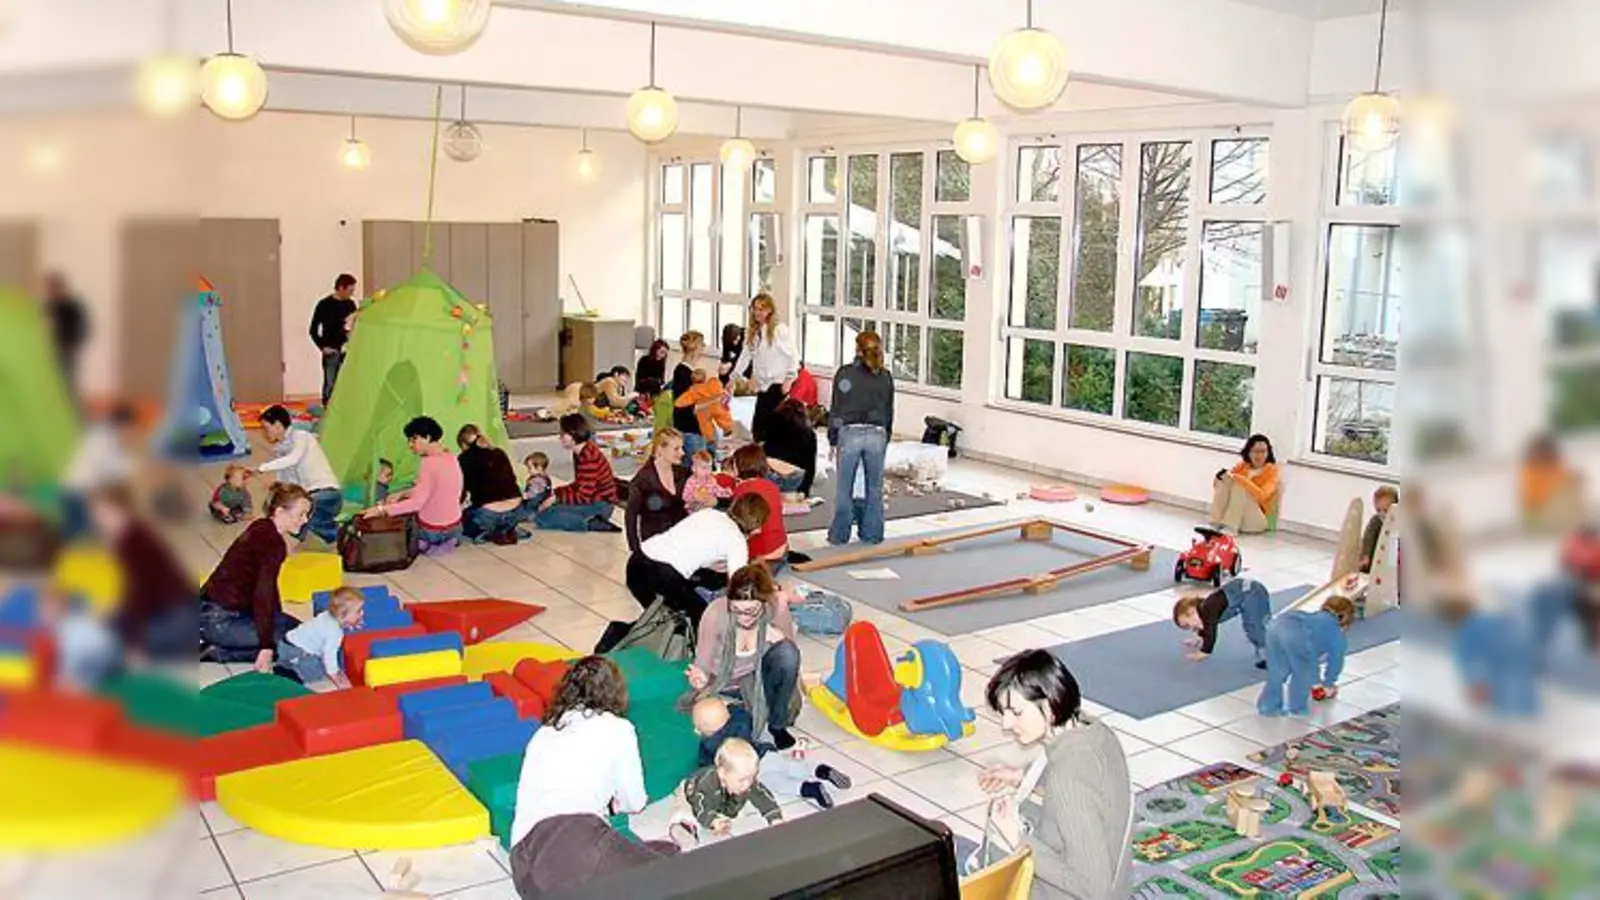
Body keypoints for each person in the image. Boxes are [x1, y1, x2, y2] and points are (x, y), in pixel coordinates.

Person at [509, 656, 678, 898]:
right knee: (670, 870)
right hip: (573, 844)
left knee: (651, 854)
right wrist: (613, 803)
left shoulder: (544, 733)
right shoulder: (618, 728)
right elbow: (635, 801)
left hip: (524, 868)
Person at [974, 650, 1132, 899]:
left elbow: (1095, 890)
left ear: (1048, 708)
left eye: (1016, 712)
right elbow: (1088, 786)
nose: (1006, 724)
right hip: (1117, 877)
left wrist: (1018, 839)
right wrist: (1022, 776)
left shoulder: (1068, 780)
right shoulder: (1093, 731)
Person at [685, 563, 801, 750]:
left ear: (764, 602)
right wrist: (699, 678)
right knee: (731, 731)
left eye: (750, 611)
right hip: (723, 685)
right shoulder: (716, 612)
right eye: (736, 610)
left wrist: (778, 636)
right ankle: (749, 719)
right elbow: (703, 664)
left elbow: (790, 660)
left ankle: (776, 724)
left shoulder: (775, 609)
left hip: (758, 681)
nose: (742, 617)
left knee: (786, 652)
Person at [199, 483, 310, 669]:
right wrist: (266, 645)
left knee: (299, 632)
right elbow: (263, 594)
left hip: (214, 610)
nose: (305, 520)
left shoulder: (262, 526)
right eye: (301, 514)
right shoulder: (272, 543)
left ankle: (220, 643)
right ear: (280, 512)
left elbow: (268, 588)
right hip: (218, 620)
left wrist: (278, 617)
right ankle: (216, 651)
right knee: (288, 643)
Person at [87, 483, 196, 664]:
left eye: (101, 513)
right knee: (109, 625)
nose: (98, 520)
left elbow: (140, 594)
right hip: (171, 610)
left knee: (114, 642)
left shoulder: (133, 540)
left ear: (119, 510)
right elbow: (134, 594)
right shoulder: (133, 534)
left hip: (176, 616)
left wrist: (136, 644)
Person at [688, 696, 850, 811]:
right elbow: (742, 713)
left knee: (779, 783)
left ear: (702, 728)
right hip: (765, 752)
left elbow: (706, 767)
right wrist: (729, 708)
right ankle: (821, 770)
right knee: (791, 766)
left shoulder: (710, 745)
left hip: (755, 771)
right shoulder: (739, 722)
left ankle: (810, 789)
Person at [625, 495, 769, 622]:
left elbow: (691, 543)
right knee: (700, 620)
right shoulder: (737, 541)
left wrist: (709, 564)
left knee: (660, 618)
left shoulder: (710, 513)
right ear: (758, 527)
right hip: (662, 575)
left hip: (637, 561)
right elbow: (740, 587)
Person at [827, 331, 895, 547]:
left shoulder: (845, 374)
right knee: (874, 488)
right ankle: (872, 533)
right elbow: (889, 409)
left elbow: (836, 408)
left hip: (850, 433)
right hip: (877, 433)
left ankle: (839, 535)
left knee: (844, 489)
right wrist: (887, 436)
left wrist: (832, 439)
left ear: (857, 349)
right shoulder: (884, 376)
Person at [363, 416, 465, 553]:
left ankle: (426, 543)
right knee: (401, 497)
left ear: (427, 438)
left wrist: (381, 510)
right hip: (455, 528)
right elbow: (438, 490)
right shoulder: (451, 458)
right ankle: (445, 542)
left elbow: (416, 504)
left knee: (388, 508)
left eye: (413, 439)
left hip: (431, 531)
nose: (410, 445)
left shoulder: (428, 463)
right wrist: (403, 493)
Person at [667, 738, 783, 847]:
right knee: (686, 811)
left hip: (721, 798)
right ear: (722, 773)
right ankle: (686, 827)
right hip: (692, 796)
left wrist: (775, 818)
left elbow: (762, 796)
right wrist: (713, 821)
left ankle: (723, 810)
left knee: (746, 798)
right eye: (742, 779)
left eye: (752, 777)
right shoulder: (707, 784)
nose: (747, 783)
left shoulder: (746, 782)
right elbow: (701, 807)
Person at [257, 405, 344, 545]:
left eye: (267, 428)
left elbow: (293, 459)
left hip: (328, 494)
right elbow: (285, 482)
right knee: (294, 518)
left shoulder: (301, 437)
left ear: (278, 425)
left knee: (299, 516)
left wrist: (260, 468)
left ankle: (343, 534)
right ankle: (323, 537)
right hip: (310, 496)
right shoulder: (281, 449)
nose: (265, 433)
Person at [1257, 596, 1354, 717]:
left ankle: (1268, 706)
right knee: (1302, 673)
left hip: (1276, 625)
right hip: (1295, 632)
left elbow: (1309, 653)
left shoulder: (1314, 619)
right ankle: (1297, 708)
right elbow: (1335, 662)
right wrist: (1328, 683)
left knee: (1278, 670)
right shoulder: (1336, 633)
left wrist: (1316, 681)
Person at [532, 413, 621, 533]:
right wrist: (556, 493)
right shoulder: (581, 451)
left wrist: (556, 498)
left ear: (573, 434)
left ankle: (590, 523)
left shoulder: (588, 457)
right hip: (594, 500)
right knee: (547, 507)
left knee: (543, 517)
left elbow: (583, 496)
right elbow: (580, 485)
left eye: (563, 434)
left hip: (600, 505)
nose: (560, 437)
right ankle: (587, 519)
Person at [60, 403, 136, 539]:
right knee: (82, 541)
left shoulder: (103, 437)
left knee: (80, 539)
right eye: (129, 429)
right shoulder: (104, 440)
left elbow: (121, 467)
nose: (129, 434)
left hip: (75, 492)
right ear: (122, 425)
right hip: (78, 495)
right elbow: (117, 470)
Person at [731, 295, 799, 441]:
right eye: (755, 309)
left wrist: (789, 379)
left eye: (762, 309)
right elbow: (745, 356)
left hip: (777, 384)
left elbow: (793, 356)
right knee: (759, 428)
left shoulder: (780, 330)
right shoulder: (754, 332)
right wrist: (734, 377)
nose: (758, 312)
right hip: (762, 385)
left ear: (770, 310)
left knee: (772, 428)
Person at [275, 586, 365, 687]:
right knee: (318, 669)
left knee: (314, 658)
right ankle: (292, 673)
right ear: (342, 615)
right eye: (358, 611)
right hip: (296, 651)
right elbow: (329, 654)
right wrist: (334, 674)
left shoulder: (326, 615)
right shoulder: (335, 632)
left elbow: (339, 623)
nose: (362, 613)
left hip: (285, 644)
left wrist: (350, 623)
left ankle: (285, 663)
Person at [1172, 578, 1272, 667]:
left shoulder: (1209, 608)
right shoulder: (1204, 610)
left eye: (1188, 625)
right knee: (1254, 626)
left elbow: (1210, 629)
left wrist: (1205, 651)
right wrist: (1199, 638)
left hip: (1252, 593)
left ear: (1191, 612)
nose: (1192, 628)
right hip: (1243, 593)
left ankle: (1271, 655)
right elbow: (1204, 625)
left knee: (1255, 628)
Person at [456, 424, 525, 544]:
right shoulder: (499, 452)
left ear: (463, 445)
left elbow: (461, 491)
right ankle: (507, 528)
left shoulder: (464, 459)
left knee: (463, 522)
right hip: (517, 509)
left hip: (488, 513)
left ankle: (489, 532)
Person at [624, 429, 688, 553]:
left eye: (682, 448)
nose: (682, 453)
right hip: (654, 544)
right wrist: (636, 550)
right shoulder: (643, 479)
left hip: (680, 540)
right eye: (676, 449)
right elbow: (630, 516)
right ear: (660, 449)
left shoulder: (682, 473)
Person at [730, 445, 788, 571]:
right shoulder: (772, 486)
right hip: (782, 549)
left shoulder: (742, 490)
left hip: (761, 556)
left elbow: (748, 529)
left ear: (740, 465)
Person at [1209, 434, 1280, 535]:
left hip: (1256, 520)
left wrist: (1241, 480)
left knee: (1240, 486)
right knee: (1224, 480)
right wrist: (1218, 478)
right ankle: (1214, 523)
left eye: (1263, 451)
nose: (1259, 455)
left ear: (1268, 453)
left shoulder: (1272, 471)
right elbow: (1220, 487)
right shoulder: (1242, 466)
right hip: (1239, 517)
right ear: (1249, 452)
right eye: (1255, 451)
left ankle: (1231, 528)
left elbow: (1262, 496)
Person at [310, 273, 359, 406]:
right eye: (350, 290)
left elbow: (354, 325)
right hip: (331, 351)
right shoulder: (324, 304)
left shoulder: (350, 304)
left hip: (346, 350)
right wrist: (322, 347)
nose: (352, 293)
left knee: (345, 383)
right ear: (341, 288)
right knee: (330, 383)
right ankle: (328, 410)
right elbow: (313, 330)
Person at [1520, 433, 1584, 534]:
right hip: (1540, 512)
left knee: (1573, 483)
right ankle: (1574, 524)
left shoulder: (1555, 465)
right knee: (1567, 490)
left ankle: (1576, 524)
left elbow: (1567, 477)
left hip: (1558, 510)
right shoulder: (1531, 470)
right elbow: (1536, 498)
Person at [42, 272, 89, 396]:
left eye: (52, 288)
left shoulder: (72, 306)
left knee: (66, 380)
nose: (50, 292)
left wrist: (74, 344)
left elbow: (81, 328)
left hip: (67, 348)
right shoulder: (50, 306)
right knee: (53, 380)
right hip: (53, 348)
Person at [761, 397, 818, 495]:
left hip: (772, 474)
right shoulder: (809, 433)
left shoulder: (771, 423)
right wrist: (804, 490)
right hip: (795, 479)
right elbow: (810, 465)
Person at [671, 331, 713, 458]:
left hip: (691, 427)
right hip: (690, 429)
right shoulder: (684, 373)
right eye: (702, 345)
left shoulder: (688, 372)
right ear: (695, 348)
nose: (703, 348)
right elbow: (687, 404)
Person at [675, 368, 734, 451]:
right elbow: (721, 391)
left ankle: (710, 438)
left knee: (704, 423)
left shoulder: (693, 390)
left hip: (703, 409)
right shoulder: (713, 384)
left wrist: (679, 403)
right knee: (723, 415)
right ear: (705, 377)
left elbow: (681, 402)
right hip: (715, 405)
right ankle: (728, 428)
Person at [1360, 485, 1399, 573]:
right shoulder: (1376, 520)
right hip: (1376, 554)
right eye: (1378, 510)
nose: (1382, 514)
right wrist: (1366, 555)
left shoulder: (1400, 519)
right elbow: (1368, 537)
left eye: (1385, 510)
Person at [717, 323, 746, 388]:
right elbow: (725, 355)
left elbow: (743, 357)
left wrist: (731, 364)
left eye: (736, 339)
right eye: (732, 340)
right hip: (738, 357)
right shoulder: (726, 339)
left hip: (747, 358)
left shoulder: (745, 336)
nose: (734, 343)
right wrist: (724, 365)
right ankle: (722, 388)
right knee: (723, 370)